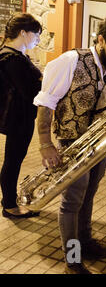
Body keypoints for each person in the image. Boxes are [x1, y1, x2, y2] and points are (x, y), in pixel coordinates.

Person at [34, 17, 106, 274]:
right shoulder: (70, 61)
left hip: (100, 143)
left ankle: (86, 242)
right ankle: (73, 260)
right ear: (100, 39)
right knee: (72, 201)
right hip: (71, 143)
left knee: (89, 194)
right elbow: (46, 104)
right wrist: (45, 144)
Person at [0, 13, 42, 218]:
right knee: (13, 160)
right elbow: (29, 91)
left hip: (21, 116)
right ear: (23, 33)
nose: (38, 39)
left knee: (13, 158)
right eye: (36, 34)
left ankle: (8, 200)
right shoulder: (12, 58)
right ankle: (9, 205)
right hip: (19, 118)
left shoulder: (15, 55)